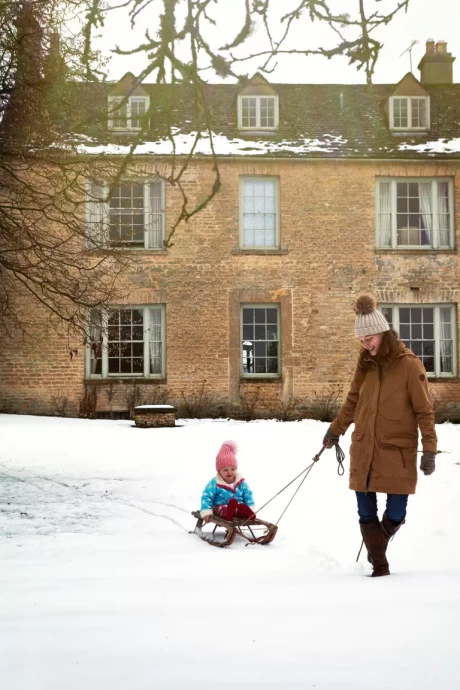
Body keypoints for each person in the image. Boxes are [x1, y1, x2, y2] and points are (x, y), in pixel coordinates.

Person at [323, 294, 437, 577]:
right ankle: (380, 566)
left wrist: (430, 449)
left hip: (397, 452)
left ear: (383, 333)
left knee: (396, 512)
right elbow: (351, 402)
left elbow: (425, 411)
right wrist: (334, 430)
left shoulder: (410, 366)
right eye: (361, 340)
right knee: (365, 513)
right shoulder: (365, 365)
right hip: (364, 449)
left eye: (369, 338)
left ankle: (377, 545)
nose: (365, 344)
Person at [200, 441, 256, 523]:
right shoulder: (215, 483)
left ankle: (243, 512)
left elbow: (248, 495)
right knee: (223, 508)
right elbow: (206, 497)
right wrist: (206, 512)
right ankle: (227, 513)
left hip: (237, 505)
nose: (229, 472)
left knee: (240, 507)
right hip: (219, 506)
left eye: (232, 469)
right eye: (225, 470)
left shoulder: (241, 482)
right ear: (219, 471)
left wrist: (250, 507)